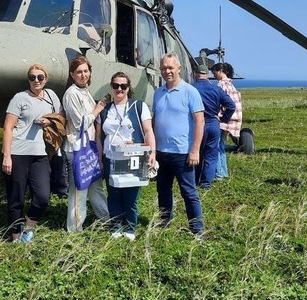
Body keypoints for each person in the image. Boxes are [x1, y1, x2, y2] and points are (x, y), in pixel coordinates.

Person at [2, 64, 63, 242]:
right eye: (32, 77)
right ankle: (15, 236)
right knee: (16, 197)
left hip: (40, 153)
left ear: (46, 79)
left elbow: (60, 118)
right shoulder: (19, 98)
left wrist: (48, 123)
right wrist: (7, 155)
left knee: (43, 196)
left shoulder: (51, 96)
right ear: (28, 79)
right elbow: (8, 127)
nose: (36, 80)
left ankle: (28, 227)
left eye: (40, 77)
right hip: (18, 152)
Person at [96, 71, 156, 240]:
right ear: (111, 87)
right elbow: (98, 137)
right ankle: (116, 226)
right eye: (116, 85)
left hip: (133, 158)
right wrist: (100, 158)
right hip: (111, 158)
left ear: (128, 88)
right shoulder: (105, 109)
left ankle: (130, 228)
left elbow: (148, 130)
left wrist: (152, 153)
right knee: (113, 193)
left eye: (123, 86)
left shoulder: (139, 106)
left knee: (131, 196)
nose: (119, 89)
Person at [152, 53, 205, 238]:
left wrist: (195, 150)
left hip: (182, 153)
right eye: (164, 68)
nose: (167, 71)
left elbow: (200, 122)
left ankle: (197, 230)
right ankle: (164, 222)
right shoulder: (158, 93)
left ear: (179, 68)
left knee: (189, 193)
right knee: (163, 190)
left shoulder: (190, 92)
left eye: (170, 68)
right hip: (161, 152)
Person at [63, 56, 110, 231]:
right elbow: (80, 123)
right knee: (79, 190)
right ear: (72, 74)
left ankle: (106, 220)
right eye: (79, 72)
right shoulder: (71, 93)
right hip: (77, 148)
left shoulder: (85, 91)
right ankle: (74, 228)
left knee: (96, 187)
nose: (83, 75)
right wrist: (98, 108)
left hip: (89, 147)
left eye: (85, 71)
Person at [192, 65, 235, 189]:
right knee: (211, 155)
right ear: (207, 74)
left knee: (197, 152)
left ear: (195, 74)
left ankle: (195, 181)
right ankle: (206, 184)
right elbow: (231, 106)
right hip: (213, 124)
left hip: (197, 124)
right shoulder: (216, 89)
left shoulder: (191, 89)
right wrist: (223, 119)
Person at [211, 62, 242, 180]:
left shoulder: (221, 85)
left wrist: (221, 118)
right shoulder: (231, 85)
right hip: (232, 121)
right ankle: (223, 172)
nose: (214, 75)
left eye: (215, 73)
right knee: (221, 146)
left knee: (216, 147)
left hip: (223, 120)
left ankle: (218, 173)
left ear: (220, 71)